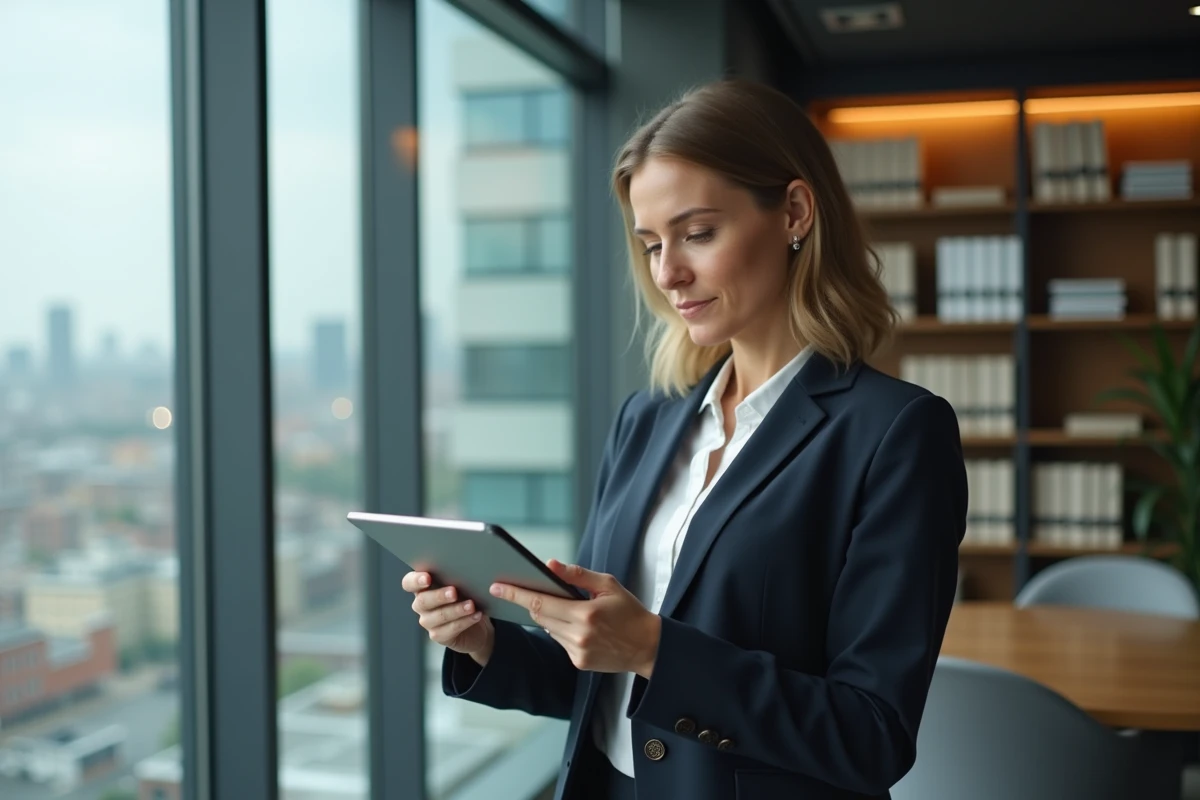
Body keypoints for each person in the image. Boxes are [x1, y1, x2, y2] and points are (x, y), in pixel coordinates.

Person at [403, 78, 968, 800]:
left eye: (698, 233)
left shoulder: (894, 434)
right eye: (651, 243)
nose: (667, 273)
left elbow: (871, 734)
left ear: (794, 212)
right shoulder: (649, 419)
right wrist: (484, 645)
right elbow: (602, 682)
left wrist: (653, 647)